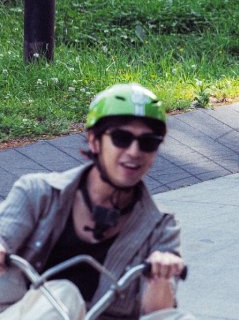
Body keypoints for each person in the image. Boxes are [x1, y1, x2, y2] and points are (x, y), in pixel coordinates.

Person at [0, 84, 193, 320]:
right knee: (64, 294)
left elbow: (159, 315)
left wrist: (160, 276)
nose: (134, 151)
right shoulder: (37, 192)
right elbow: (3, 235)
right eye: (122, 138)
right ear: (94, 141)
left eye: (148, 142)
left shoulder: (161, 225)